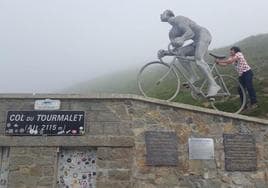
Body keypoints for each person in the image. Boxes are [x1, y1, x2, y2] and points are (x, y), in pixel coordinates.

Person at [157, 9, 221, 97]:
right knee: (180, 53)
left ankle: (214, 85)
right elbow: (176, 50)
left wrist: (182, 39)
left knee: (198, 60)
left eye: (162, 13)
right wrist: (166, 53)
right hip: (195, 42)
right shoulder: (172, 33)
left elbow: (190, 33)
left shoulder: (179, 19)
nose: (160, 15)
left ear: (168, 14)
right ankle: (193, 76)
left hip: (203, 35)